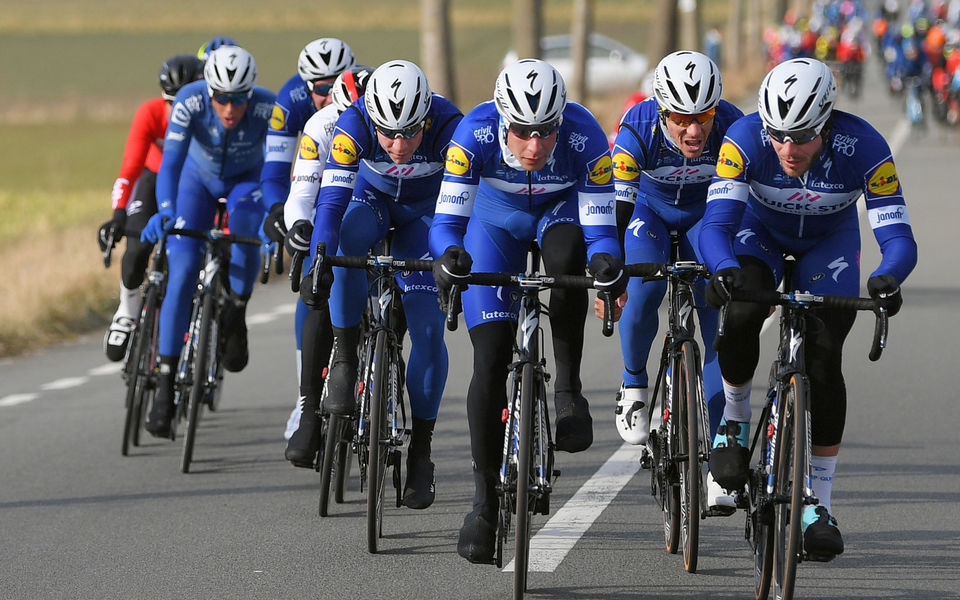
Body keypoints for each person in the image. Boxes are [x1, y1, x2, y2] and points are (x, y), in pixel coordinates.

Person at [700, 58, 917, 558]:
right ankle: (733, 418)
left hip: (829, 243)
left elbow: (899, 239)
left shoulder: (865, 147)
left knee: (824, 360)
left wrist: (888, 278)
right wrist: (722, 267)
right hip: (761, 234)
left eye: (801, 137)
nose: (788, 149)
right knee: (742, 313)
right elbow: (716, 226)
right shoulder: (745, 138)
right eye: (778, 136)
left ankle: (818, 500)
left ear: (827, 123)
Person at [428, 59, 627, 564]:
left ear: (561, 121)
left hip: (558, 214)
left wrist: (607, 257)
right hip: (495, 223)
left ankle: (568, 391)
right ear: (501, 121)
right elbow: (448, 221)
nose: (535, 146)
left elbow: (602, 229)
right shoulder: (472, 135)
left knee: (568, 261)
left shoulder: (584, 135)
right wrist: (448, 256)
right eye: (521, 133)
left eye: (546, 132)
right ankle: (482, 504)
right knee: (490, 357)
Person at [296, 60, 463, 508]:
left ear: (426, 116)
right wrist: (319, 263)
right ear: (372, 118)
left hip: (425, 218)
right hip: (370, 204)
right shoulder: (354, 124)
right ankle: (347, 357)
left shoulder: (450, 125)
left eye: (410, 132)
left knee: (428, 330)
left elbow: (468, 205)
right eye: (388, 133)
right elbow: (330, 206)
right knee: (345, 241)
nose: (399, 145)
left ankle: (422, 453)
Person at [606, 50, 744, 512]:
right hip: (648, 212)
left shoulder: (733, 125)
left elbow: (753, 201)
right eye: (681, 119)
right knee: (645, 290)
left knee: (716, 317)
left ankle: (719, 462)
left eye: (703, 116)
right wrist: (613, 272)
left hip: (707, 216)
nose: (694, 130)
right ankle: (633, 384)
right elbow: (618, 209)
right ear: (662, 111)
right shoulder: (636, 127)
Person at [139, 45, 277, 437]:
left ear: (251, 93)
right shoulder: (189, 100)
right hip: (195, 183)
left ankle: (236, 310)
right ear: (208, 90)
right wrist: (165, 209)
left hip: (247, 181)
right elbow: (171, 163)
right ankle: (165, 386)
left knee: (248, 234)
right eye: (221, 98)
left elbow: (280, 169)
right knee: (181, 270)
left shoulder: (269, 107)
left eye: (238, 100)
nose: (230, 109)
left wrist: (275, 217)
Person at [255, 38, 356, 442]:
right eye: (319, 87)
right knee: (313, 286)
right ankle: (305, 401)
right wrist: (279, 214)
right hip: (311, 186)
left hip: (359, 192)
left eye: (334, 84)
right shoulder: (292, 101)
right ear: (305, 85)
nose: (328, 93)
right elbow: (277, 171)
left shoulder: (362, 92)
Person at [281, 65, 374, 467]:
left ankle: (388, 370)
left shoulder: (388, 129)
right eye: (343, 119)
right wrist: (300, 226)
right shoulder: (320, 125)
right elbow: (302, 192)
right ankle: (306, 407)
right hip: (334, 206)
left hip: (382, 208)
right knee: (317, 284)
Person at [97, 53, 205, 361]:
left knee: (188, 256)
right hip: (153, 180)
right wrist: (118, 213)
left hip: (191, 184)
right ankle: (127, 310)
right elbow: (129, 169)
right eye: (170, 102)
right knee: (135, 250)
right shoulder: (150, 113)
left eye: (182, 101)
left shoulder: (207, 117)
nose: (175, 111)